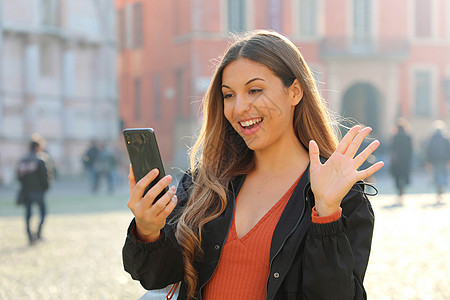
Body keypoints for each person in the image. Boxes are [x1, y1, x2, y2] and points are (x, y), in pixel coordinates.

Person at [122, 30, 384, 299]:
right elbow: (159, 277)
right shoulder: (206, 182)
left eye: (254, 90)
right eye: (228, 95)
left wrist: (327, 213)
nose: (239, 108)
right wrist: (148, 229)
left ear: (294, 92)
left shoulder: (343, 197)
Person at [17, 140, 49, 245]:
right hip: (38, 191)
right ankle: (38, 233)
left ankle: (30, 236)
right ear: (37, 147)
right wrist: (45, 188)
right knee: (43, 213)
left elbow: (18, 176)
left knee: (28, 214)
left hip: (26, 191)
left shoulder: (23, 160)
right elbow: (45, 177)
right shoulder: (39, 160)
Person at [425, 120, 450, 204]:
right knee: (443, 173)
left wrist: (428, 161)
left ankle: (438, 187)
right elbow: (448, 150)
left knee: (436, 174)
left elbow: (429, 150)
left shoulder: (431, 139)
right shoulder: (445, 138)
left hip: (435, 160)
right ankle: (441, 186)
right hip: (443, 159)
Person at [389, 118, 413, 204]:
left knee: (397, 176)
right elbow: (410, 149)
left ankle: (399, 189)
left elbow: (392, 148)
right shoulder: (408, 137)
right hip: (405, 160)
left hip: (397, 160)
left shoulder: (395, 137)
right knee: (404, 175)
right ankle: (402, 189)